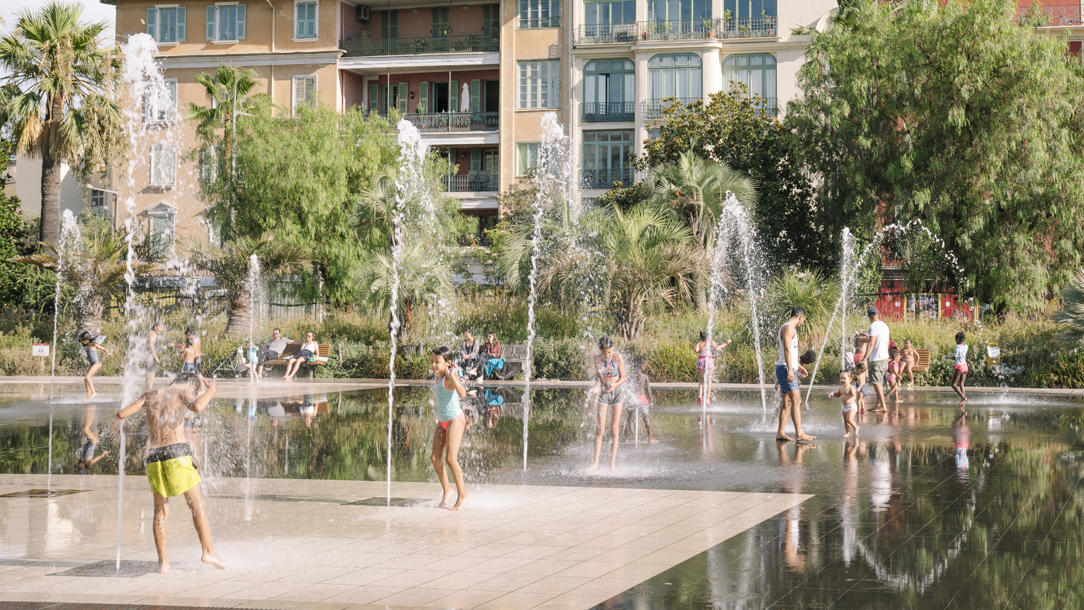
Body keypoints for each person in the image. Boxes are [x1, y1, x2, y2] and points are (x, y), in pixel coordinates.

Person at [112, 373, 226, 573]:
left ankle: (163, 562)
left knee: (160, 511)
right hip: (177, 455)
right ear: (191, 386)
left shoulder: (150, 394)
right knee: (196, 504)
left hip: (154, 456)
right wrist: (212, 389)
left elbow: (122, 414)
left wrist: (114, 422)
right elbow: (198, 406)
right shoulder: (182, 392)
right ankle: (208, 551)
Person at [429, 346, 468, 510]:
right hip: (443, 421)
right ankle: (448, 490)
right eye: (432, 362)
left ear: (448, 363)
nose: (433, 365)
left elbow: (463, 393)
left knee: (450, 458)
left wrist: (453, 376)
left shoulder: (450, 378)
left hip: (455, 420)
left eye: (437, 362)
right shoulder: (438, 378)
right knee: (435, 458)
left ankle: (463, 495)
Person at [775, 307, 815, 442]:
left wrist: (798, 367)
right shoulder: (788, 328)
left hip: (787, 367)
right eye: (803, 320)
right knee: (797, 400)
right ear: (800, 317)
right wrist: (791, 370)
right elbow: (786, 350)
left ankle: (780, 432)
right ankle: (799, 433)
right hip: (786, 368)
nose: (802, 323)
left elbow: (789, 353)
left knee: (787, 402)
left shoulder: (789, 329)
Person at [590, 336, 626, 469]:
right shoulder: (597, 359)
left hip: (616, 392)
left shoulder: (618, 358)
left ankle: (612, 464)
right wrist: (597, 386)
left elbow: (623, 378)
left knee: (614, 429)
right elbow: (599, 377)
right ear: (600, 350)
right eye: (604, 353)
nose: (607, 356)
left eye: (609, 352)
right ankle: (595, 463)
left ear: (613, 349)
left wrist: (615, 386)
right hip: (604, 393)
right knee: (600, 429)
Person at [861, 306, 891, 412]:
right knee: (879, 381)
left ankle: (883, 405)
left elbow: (871, 344)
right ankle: (878, 403)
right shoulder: (884, 325)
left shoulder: (872, 326)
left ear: (868, 316)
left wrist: (864, 358)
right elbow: (887, 342)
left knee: (876, 382)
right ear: (878, 314)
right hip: (884, 358)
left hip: (876, 359)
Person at [621, 356, 657, 444]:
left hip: (632, 398)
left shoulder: (630, 376)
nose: (645, 367)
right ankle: (650, 438)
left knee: (630, 418)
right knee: (646, 419)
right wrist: (651, 402)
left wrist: (625, 399)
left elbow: (627, 389)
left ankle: (626, 437)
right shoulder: (645, 377)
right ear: (641, 366)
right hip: (642, 399)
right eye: (645, 365)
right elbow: (648, 390)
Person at [693, 331, 732, 408]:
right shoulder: (711, 342)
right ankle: (707, 399)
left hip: (701, 360)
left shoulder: (700, 343)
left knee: (701, 380)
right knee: (709, 380)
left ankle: (700, 396)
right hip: (709, 360)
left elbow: (696, 350)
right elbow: (716, 348)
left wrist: (699, 349)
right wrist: (726, 343)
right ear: (708, 337)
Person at [73, 404, 109, 472]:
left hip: (91, 440)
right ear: (83, 467)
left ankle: (90, 409)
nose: (78, 465)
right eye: (79, 467)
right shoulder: (89, 462)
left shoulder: (83, 459)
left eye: (77, 466)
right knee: (86, 428)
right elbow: (98, 458)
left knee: (85, 427)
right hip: (94, 441)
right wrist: (103, 454)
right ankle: (91, 410)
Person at [78, 332, 111, 401]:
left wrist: (107, 352)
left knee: (87, 377)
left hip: (97, 363)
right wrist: (87, 358)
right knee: (85, 380)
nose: (82, 341)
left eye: (83, 340)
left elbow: (104, 349)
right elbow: (90, 355)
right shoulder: (86, 347)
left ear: (87, 339)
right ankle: (88, 395)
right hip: (92, 364)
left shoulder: (94, 345)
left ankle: (93, 392)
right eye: (81, 340)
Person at [828, 370, 860, 437]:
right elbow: (838, 394)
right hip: (845, 407)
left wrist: (851, 399)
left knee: (849, 419)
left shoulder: (851, 387)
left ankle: (856, 427)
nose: (842, 380)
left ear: (850, 379)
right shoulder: (841, 387)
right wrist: (833, 394)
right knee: (845, 421)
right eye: (841, 378)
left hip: (851, 407)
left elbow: (854, 396)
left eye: (844, 378)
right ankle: (848, 433)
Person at [951, 331, 969, 406]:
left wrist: (948, 357)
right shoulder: (966, 346)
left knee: (953, 384)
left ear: (958, 340)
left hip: (959, 366)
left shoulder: (957, 346)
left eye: (956, 340)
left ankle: (963, 397)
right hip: (965, 365)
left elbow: (955, 357)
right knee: (961, 385)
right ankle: (963, 403)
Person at [146, 321, 164, 391]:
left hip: (148, 357)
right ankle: (149, 391)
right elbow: (151, 345)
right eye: (161, 327)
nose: (161, 330)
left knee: (150, 374)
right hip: (150, 357)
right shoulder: (152, 334)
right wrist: (156, 357)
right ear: (155, 327)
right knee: (151, 374)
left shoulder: (151, 333)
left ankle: (147, 391)